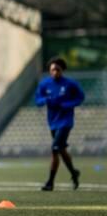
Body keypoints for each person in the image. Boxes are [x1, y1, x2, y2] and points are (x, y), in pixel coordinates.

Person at [35, 57, 84, 191]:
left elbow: (80, 97)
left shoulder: (70, 84)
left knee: (55, 149)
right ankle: (74, 173)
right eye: (52, 70)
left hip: (66, 121)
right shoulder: (45, 84)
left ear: (62, 70)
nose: (55, 72)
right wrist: (45, 100)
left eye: (58, 69)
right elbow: (37, 100)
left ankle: (50, 182)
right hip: (53, 122)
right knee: (61, 149)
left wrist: (67, 105)